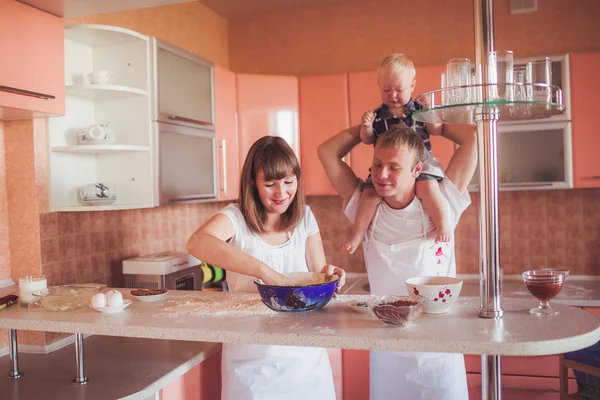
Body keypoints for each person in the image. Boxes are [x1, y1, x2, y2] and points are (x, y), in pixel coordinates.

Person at [318, 122, 477, 400]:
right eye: (377, 164)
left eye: (394, 167)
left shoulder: (443, 201)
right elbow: (326, 151)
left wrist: (437, 127)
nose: (382, 174)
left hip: (439, 353)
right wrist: (366, 130)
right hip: (387, 352)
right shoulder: (364, 206)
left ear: (417, 170)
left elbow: (474, 136)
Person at [186, 135, 345, 400]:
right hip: (251, 361)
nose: (281, 193)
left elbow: (319, 272)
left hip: (305, 360)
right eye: (270, 184)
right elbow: (197, 242)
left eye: (288, 182)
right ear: (253, 182)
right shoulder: (235, 218)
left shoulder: (304, 216)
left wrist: (332, 277)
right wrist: (265, 272)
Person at [342, 53, 451, 255]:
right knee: (368, 195)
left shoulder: (420, 109)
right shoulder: (378, 115)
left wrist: (431, 111)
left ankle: (443, 224)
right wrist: (365, 126)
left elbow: (436, 130)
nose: (392, 95)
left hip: (422, 161)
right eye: (386, 90)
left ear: (412, 86)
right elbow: (367, 140)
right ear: (379, 87)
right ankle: (357, 233)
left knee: (429, 188)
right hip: (387, 165)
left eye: (399, 89)